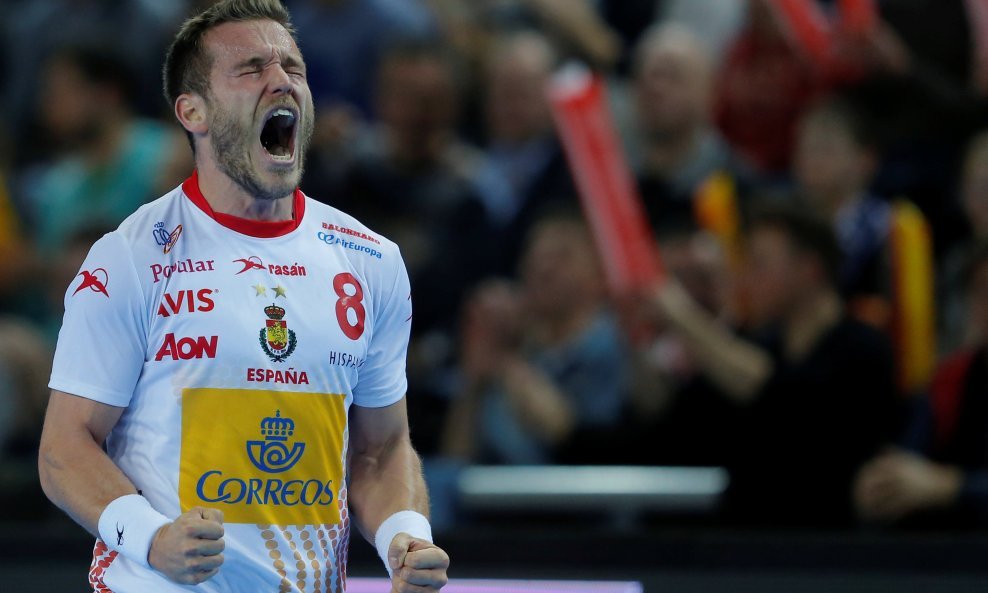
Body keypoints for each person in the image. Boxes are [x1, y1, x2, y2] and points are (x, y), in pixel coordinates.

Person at [37, 2, 449, 593]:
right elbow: (63, 448)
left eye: (293, 68)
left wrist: (403, 537)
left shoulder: (369, 260)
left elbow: (382, 447)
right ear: (193, 111)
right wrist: (150, 537)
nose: (282, 81)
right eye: (252, 68)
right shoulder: (132, 257)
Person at [649, 204, 899, 526]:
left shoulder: (862, 348)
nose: (746, 277)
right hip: (746, 547)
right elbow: (678, 419)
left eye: (760, 263)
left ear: (809, 268)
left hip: (836, 549)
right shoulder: (759, 344)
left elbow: (786, 395)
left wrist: (680, 315)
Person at [855, 239, 988, 528]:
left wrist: (953, 488)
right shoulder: (951, 379)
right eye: (982, 291)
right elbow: (911, 459)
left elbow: (935, 484)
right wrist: (884, 483)